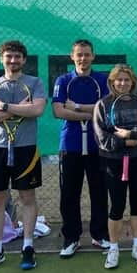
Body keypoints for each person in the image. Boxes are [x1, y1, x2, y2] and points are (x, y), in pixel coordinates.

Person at [0, 40, 46, 273]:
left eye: (17, 57)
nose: (13, 60)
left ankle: (27, 246)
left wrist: (4, 107)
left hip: (26, 148)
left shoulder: (34, 83)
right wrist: (18, 108)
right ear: (1, 59)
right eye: (9, 56)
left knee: (27, 197)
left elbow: (36, 110)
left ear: (24, 60)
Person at [52, 39, 110, 258]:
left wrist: (75, 107)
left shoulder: (102, 80)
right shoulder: (63, 80)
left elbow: (105, 109)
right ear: (72, 56)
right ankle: (71, 238)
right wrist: (92, 114)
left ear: (93, 56)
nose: (83, 58)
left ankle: (100, 235)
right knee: (69, 194)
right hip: (71, 146)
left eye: (87, 54)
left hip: (98, 146)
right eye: (79, 54)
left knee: (99, 192)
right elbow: (58, 111)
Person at [93, 64, 137, 269]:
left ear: (133, 82)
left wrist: (130, 134)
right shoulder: (102, 105)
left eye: (126, 80)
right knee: (117, 206)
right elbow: (102, 139)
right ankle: (113, 249)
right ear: (112, 82)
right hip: (113, 162)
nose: (122, 83)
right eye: (118, 80)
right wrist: (124, 142)